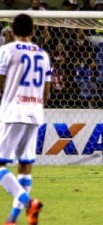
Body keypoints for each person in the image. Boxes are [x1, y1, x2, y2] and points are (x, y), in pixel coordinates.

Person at [0, 14, 52, 224]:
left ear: (12, 31)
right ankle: (13, 219)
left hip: (13, 112)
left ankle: (28, 202)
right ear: (32, 31)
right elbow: (46, 93)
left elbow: (0, 81)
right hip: (35, 113)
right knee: (24, 166)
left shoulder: (6, 51)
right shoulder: (44, 55)